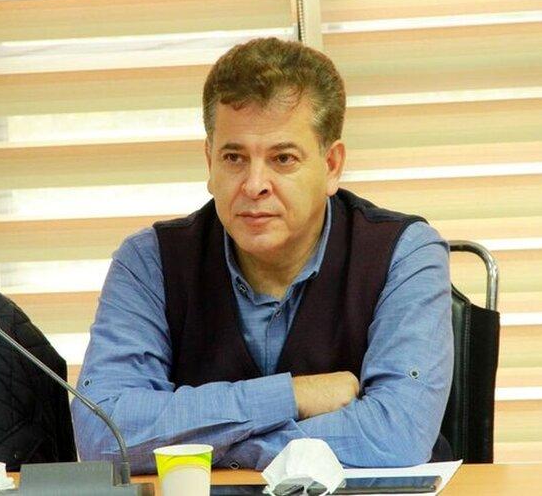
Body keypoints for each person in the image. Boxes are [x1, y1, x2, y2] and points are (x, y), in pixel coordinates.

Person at [71, 37, 453, 473]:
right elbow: (103, 435)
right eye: (234, 157)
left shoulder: (404, 253)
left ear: (331, 165)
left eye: (283, 158)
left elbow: (396, 435)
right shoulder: (148, 261)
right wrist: (292, 395)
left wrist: (207, 446)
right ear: (209, 162)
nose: (254, 185)